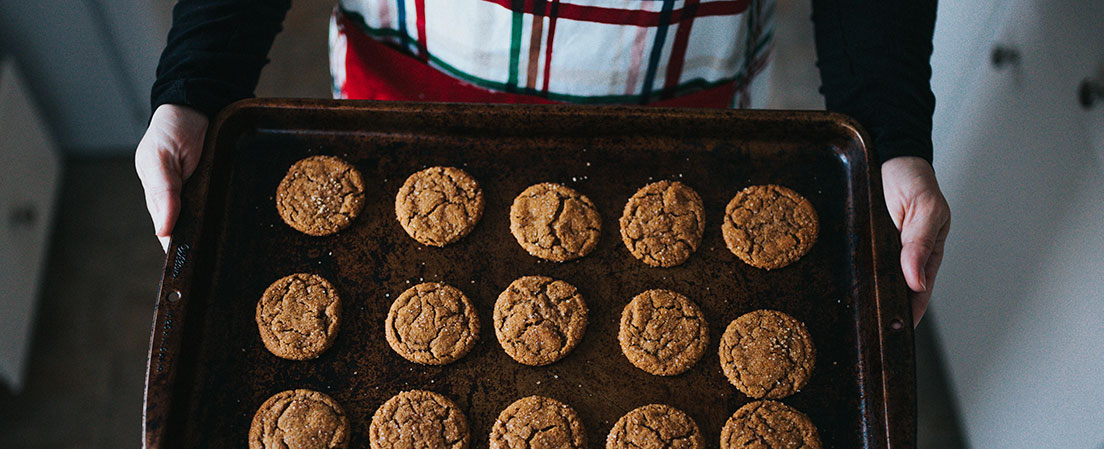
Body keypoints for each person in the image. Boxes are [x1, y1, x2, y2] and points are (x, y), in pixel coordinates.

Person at [136, 0, 949, 323]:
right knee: (415, 294)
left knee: (653, 311)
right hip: (416, 90)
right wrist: (197, 84)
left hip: (671, 110)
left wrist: (890, 131)